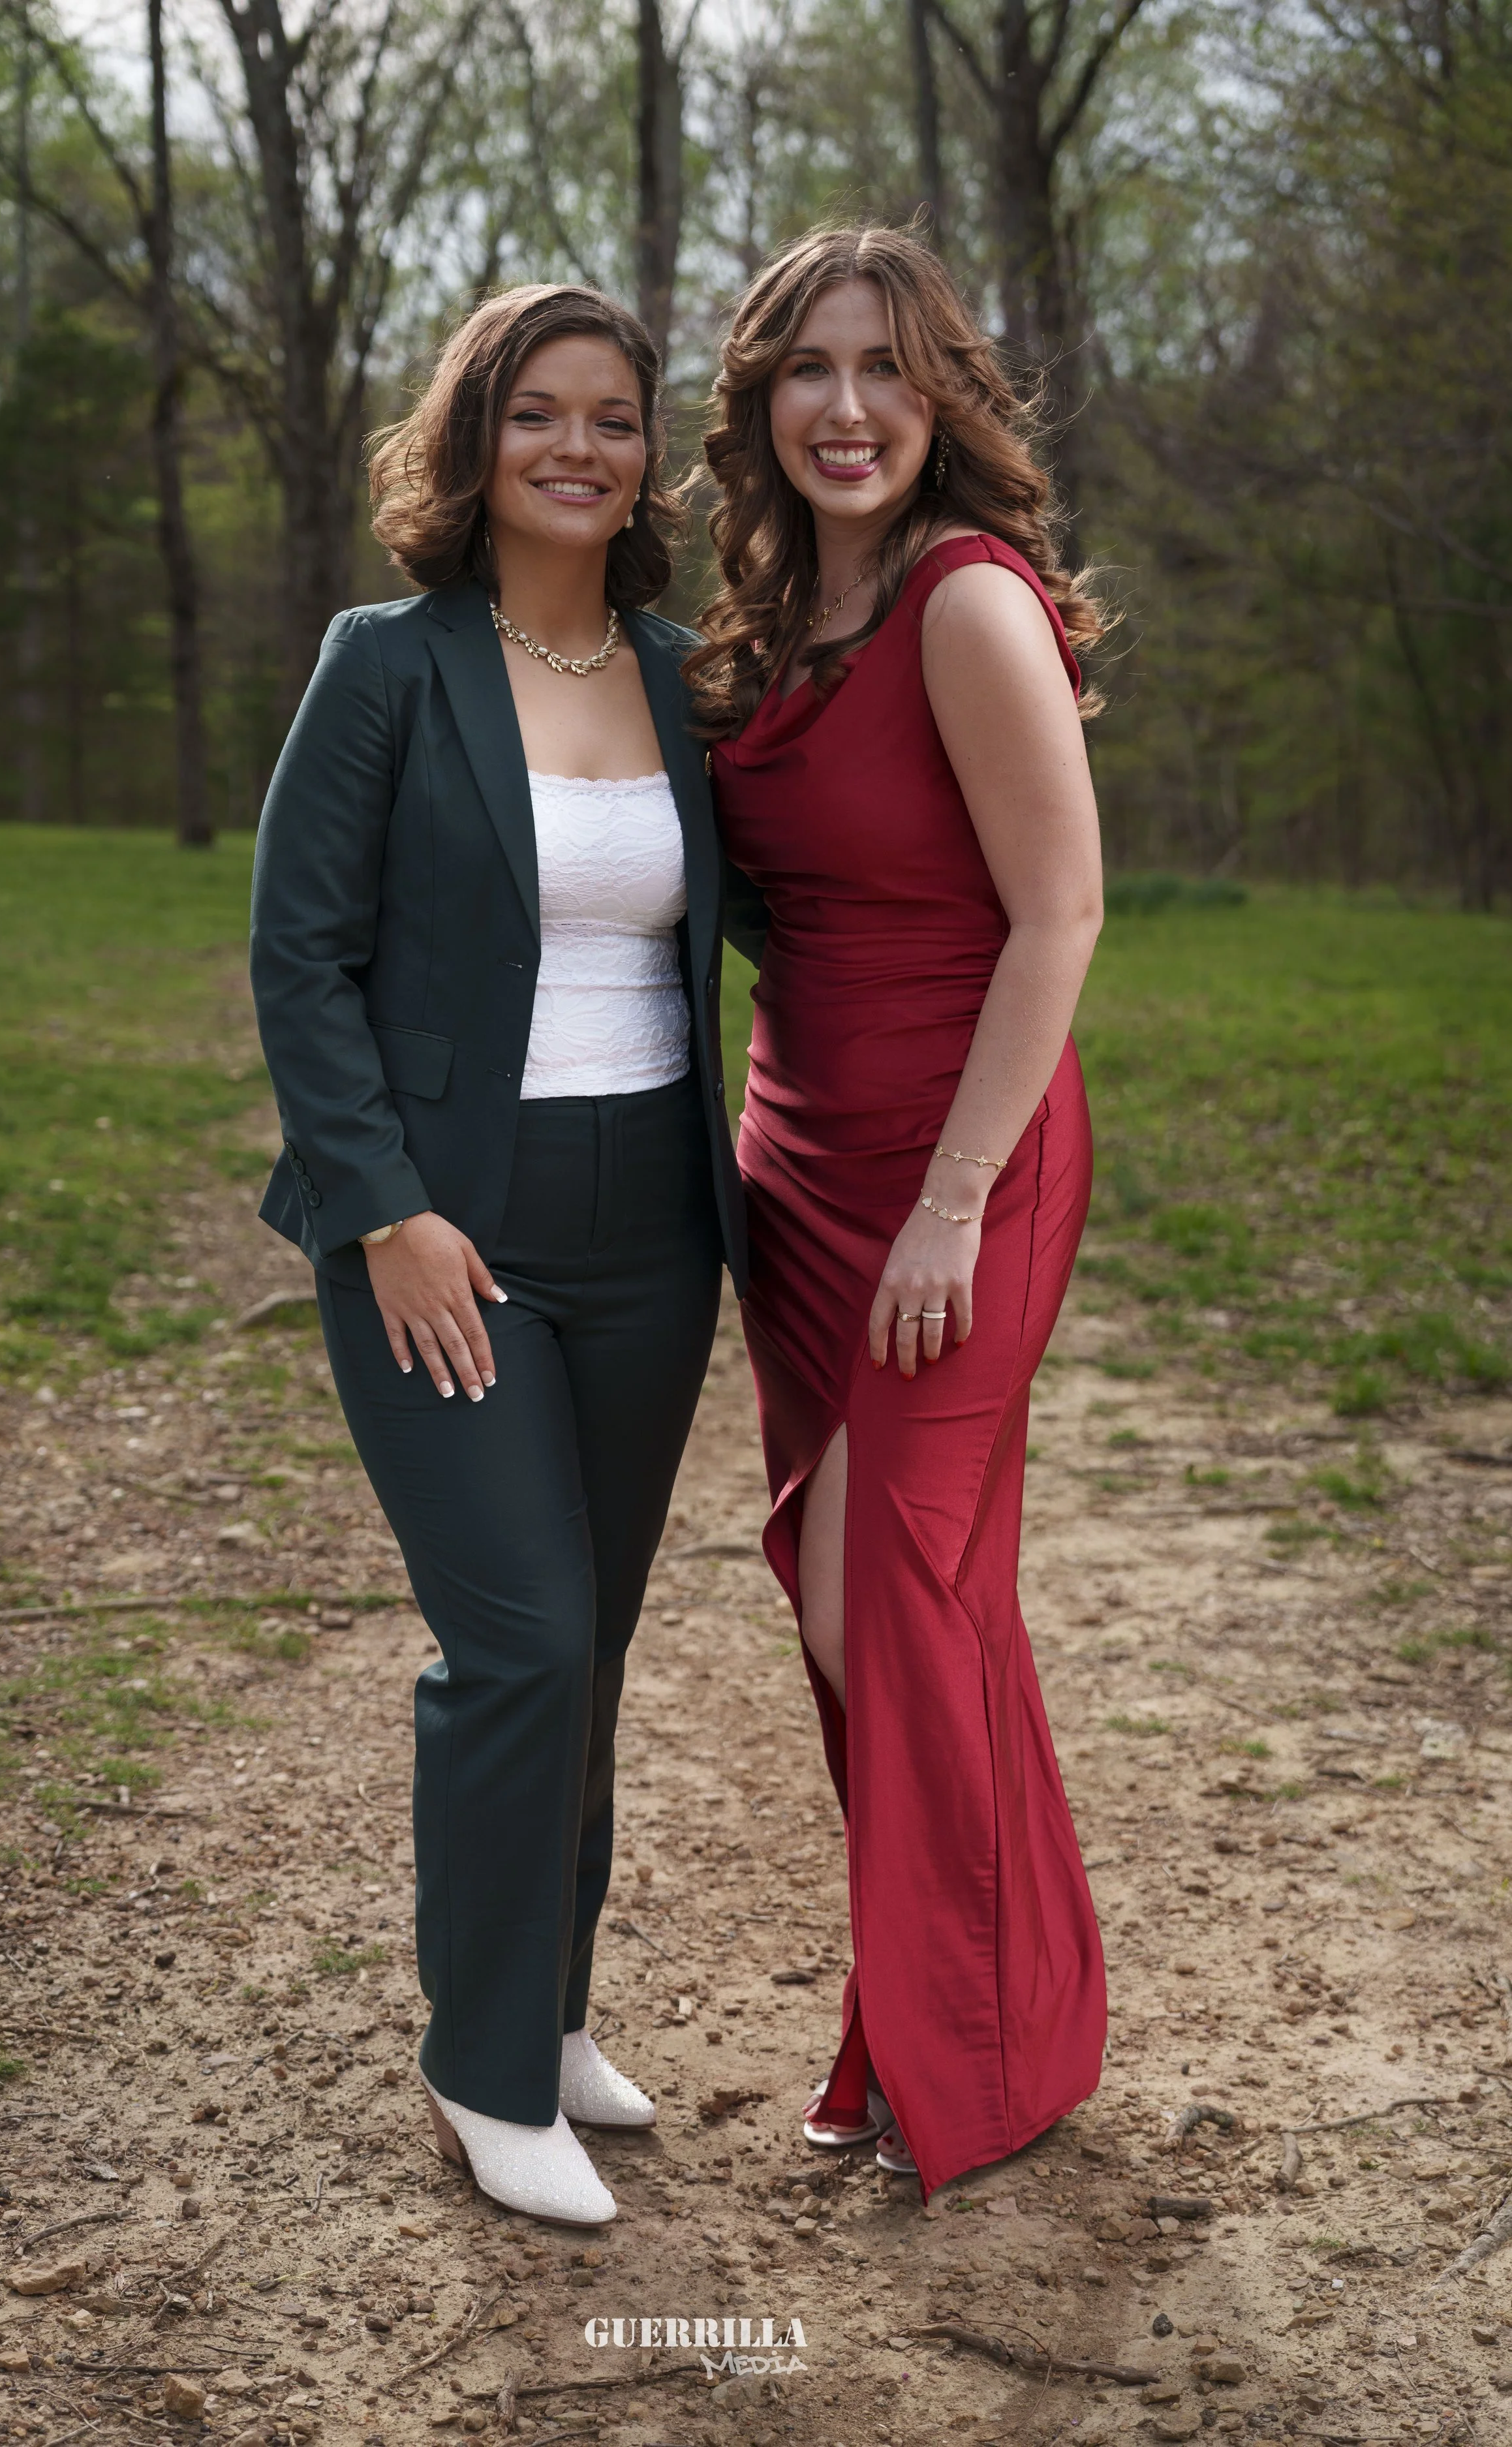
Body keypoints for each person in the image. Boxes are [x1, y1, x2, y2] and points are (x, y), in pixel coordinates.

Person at [249, 284, 746, 2228]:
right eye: (537, 411)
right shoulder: (387, 663)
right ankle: (476, 2072)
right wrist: (383, 1206)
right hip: (441, 1226)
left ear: (647, 457)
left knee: (592, 1644)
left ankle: (544, 2013)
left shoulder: (685, 673)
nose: (577, 445)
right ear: (476, 440)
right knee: (519, 1635)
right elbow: (300, 954)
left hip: (653, 1229)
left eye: (612, 417)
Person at [690, 224, 1109, 2202]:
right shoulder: (769, 618)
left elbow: (1060, 914)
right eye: (804, 370)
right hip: (801, 1164)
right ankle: (937, 2013)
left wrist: (950, 1203)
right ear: (760, 402)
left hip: (966, 1162)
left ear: (935, 394)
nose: (842, 407)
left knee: (888, 1596)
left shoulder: (964, 602)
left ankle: (987, 2036)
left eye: (880, 367)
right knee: (882, 1611)